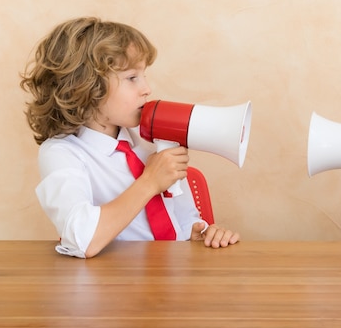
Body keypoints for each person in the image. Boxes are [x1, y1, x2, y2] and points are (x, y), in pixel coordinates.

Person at [20, 17, 240, 258]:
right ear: (85, 86)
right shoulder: (62, 153)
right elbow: (83, 240)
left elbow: (186, 221)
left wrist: (200, 234)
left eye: (143, 75)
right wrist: (150, 182)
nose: (146, 88)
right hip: (115, 284)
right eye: (132, 78)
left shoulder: (149, 139)